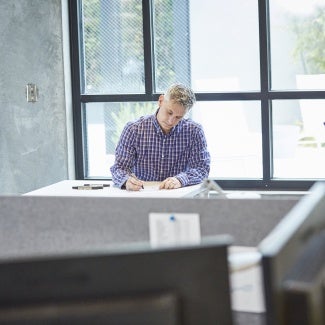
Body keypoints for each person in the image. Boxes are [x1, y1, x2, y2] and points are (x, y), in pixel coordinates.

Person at [110, 83, 210, 191]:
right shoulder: (133, 129)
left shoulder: (194, 132)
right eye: (169, 112)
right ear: (161, 101)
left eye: (178, 117)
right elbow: (119, 168)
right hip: (143, 195)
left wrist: (181, 180)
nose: (171, 121)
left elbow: (202, 169)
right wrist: (126, 181)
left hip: (178, 198)